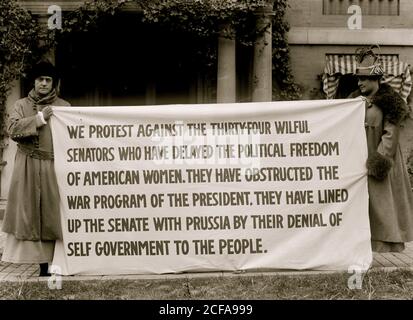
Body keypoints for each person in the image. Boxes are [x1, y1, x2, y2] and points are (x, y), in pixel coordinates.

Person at [1, 61, 70, 276]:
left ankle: (52, 264)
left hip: (52, 165)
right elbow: (12, 129)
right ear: (34, 81)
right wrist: (39, 119)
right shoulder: (20, 105)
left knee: (51, 214)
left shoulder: (64, 107)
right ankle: (37, 264)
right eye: (40, 79)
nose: (43, 83)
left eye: (48, 80)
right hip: (27, 166)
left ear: (53, 84)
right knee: (28, 213)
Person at [348, 47, 413, 252]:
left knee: (383, 205)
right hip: (359, 160)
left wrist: (378, 161)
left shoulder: (391, 103)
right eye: (358, 79)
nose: (360, 83)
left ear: (376, 80)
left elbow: (390, 135)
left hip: (383, 162)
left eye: (364, 79)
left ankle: (386, 246)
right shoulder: (353, 101)